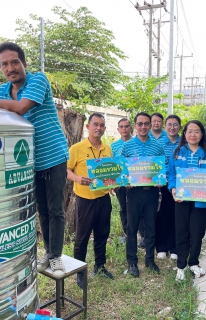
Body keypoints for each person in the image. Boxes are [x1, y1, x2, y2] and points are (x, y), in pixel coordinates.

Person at [0, 42, 69, 277]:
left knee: (55, 209)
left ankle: (56, 255)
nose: (10, 68)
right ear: (0, 68)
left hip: (54, 156)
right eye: (4, 64)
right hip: (29, 162)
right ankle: (48, 251)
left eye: (14, 62)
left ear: (24, 64)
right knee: (42, 210)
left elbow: (20, 108)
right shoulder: (2, 92)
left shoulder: (38, 80)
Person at [67, 113, 114, 289]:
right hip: (85, 200)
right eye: (95, 124)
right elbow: (66, 170)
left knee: (102, 235)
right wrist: (77, 179)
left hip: (103, 199)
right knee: (82, 238)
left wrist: (113, 184)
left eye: (102, 125)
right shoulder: (76, 148)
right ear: (88, 127)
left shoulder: (107, 149)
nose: (99, 128)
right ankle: (79, 273)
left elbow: (109, 172)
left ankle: (100, 266)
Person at [168, 120, 206, 281]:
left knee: (197, 233)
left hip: (201, 202)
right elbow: (171, 174)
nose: (193, 135)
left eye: (197, 131)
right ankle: (181, 266)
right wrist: (173, 188)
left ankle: (194, 263)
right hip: (182, 200)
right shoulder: (178, 152)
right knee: (181, 232)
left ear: (202, 134)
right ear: (184, 134)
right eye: (189, 131)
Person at [121, 112, 165, 277]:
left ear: (150, 125)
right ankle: (132, 262)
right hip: (134, 193)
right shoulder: (127, 147)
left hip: (153, 192)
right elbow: (122, 169)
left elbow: (163, 167)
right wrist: (126, 180)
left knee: (151, 227)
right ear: (135, 126)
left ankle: (150, 259)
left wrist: (161, 178)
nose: (143, 127)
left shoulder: (157, 147)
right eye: (140, 124)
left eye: (146, 123)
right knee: (132, 228)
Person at [155, 115, 181, 260]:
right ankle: (162, 247)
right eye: (169, 124)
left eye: (175, 124)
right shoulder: (158, 144)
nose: (172, 127)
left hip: (180, 185)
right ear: (165, 127)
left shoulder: (183, 144)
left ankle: (175, 247)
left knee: (177, 216)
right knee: (162, 216)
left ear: (179, 127)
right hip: (162, 185)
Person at [110, 118, 133, 241]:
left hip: (135, 182)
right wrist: (113, 183)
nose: (124, 129)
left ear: (130, 128)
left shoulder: (136, 142)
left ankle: (140, 234)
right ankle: (127, 233)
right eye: (121, 127)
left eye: (126, 126)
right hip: (120, 183)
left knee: (136, 208)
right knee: (123, 207)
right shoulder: (114, 146)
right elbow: (112, 165)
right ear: (118, 129)